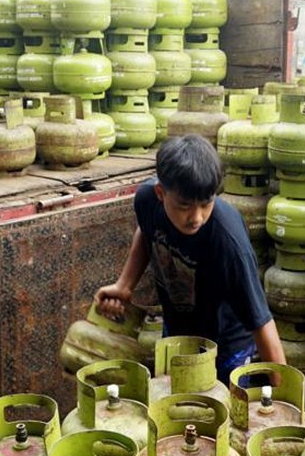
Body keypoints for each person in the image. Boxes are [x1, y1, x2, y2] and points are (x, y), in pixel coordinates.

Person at [96, 133, 285, 383]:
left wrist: (285, 399)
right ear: (161, 193)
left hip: (226, 348)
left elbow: (261, 322)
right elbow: (146, 230)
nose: (196, 217)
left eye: (205, 204)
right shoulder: (146, 200)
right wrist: (124, 285)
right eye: (184, 206)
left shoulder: (228, 242)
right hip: (177, 334)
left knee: (223, 415)